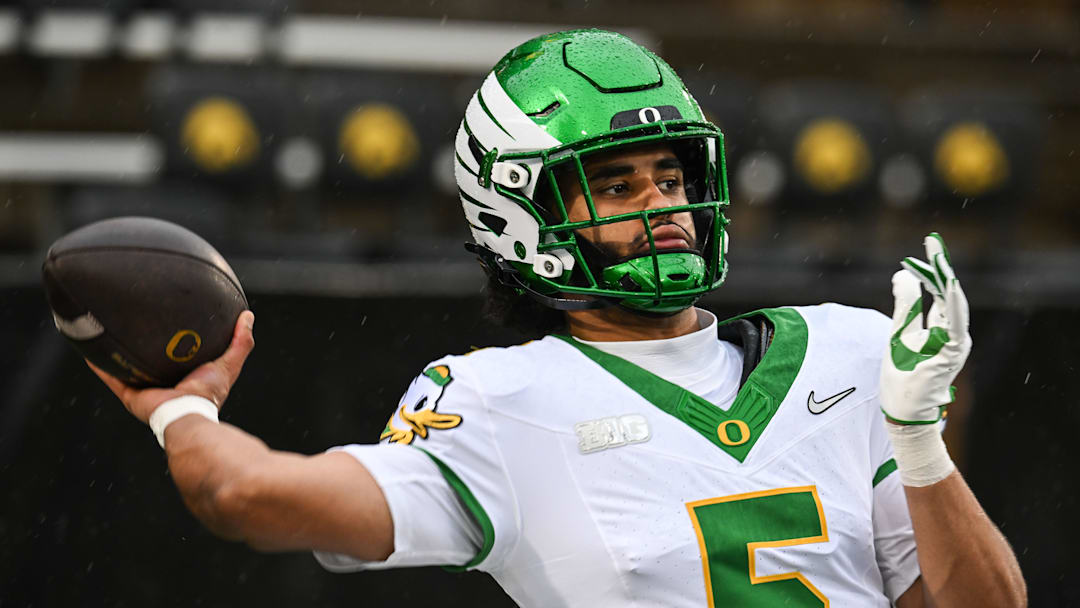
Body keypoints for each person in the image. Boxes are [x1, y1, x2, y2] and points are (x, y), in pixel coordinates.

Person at [90, 29, 1026, 607]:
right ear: (520, 213)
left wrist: (920, 439)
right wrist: (180, 409)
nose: (659, 203)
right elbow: (248, 499)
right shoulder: (498, 403)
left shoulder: (852, 348)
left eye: (670, 175)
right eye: (614, 186)